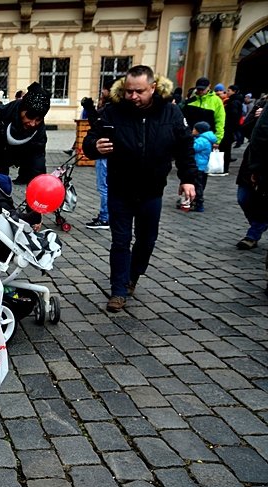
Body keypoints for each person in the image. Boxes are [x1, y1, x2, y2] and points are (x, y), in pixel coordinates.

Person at [83, 65, 198, 313]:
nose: (133, 96)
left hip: (152, 190)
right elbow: (90, 140)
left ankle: (132, 277)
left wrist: (188, 178)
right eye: (128, 91)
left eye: (139, 91)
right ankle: (118, 291)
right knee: (120, 241)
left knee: (146, 240)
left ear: (153, 88)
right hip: (120, 189)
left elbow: (185, 147)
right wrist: (95, 147)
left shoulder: (171, 112)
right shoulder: (113, 112)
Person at [0, 81, 51, 184]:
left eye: (38, 119)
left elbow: (37, 161)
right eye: (30, 116)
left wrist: (39, 185)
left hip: (0, 169)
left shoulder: (38, 131)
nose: (33, 123)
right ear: (21, 109)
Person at [234, 107, 268, 251]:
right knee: (243, 197)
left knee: (264, 202)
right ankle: (259, 225)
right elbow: (246, 130)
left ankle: (253, 233)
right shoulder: (262, 105)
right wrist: (256, 117)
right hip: (253, 160)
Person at [82, 79, 114, 229]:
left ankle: (105, 217)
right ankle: (108, 216)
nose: (102, 92)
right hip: (110, 153)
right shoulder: (116, 108)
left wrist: (90, 110)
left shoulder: (110, 108)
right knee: (109, 187)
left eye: (104, 90)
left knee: (104, 187)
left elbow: (97, 126)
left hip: (105, 153)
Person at [182, 76, 225, 148]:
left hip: (207, 139)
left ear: (209, 87)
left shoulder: (216, 101)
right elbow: (183, 119)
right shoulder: (191, 100)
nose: (200, 91)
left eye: (203, 89)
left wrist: (217, 139)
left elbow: (220, 121)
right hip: (190, 137)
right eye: (199, 89)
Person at [190, 121, 217, 212]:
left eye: (194, 129)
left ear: (199, 130)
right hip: (202, 166)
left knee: (197, 185)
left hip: (198, 165)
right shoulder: (206, 139)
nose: (192, 130)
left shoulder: (201, 140)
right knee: (200, 183)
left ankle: (198, 203)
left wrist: (190, 141)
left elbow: (193, 148)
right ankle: (195, 201)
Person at [220, 84, 244, 174]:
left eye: (229, 91)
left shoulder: (233, 102)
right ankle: (224, 167)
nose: (227, 92)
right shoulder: (236, 101)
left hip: (228, 128)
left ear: (234, 91)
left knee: (225, 149)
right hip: (230, 128)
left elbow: (233, 116)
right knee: (226, 149)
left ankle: (223, 168)